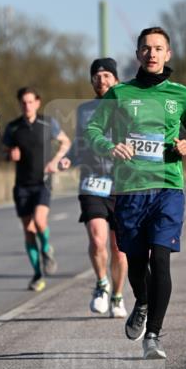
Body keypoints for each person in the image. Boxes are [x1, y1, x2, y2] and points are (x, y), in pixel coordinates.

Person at [85, 26, 186, 359]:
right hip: (130, 189)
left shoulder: (181, 94)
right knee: (137, 263)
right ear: (138, 54)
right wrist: (110, 147)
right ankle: (141, 300)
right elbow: (94, 128)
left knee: (162, 258)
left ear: (167, 54)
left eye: (158, 48)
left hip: (168, 186)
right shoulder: (120, 93)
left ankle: (153, 335)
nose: (152, 53)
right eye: (146, 48)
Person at [59, 58, 128, 317]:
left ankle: (118, 297)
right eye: (97, 76)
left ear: (116, 80)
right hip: (92, 182)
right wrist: (70, 158)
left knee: (119, 248)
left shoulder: (128, 107)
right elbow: (80, 143)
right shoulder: (85, 110)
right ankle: (101, 285)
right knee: (97, 239)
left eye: (107, 75)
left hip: (122, 184)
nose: (101, 80)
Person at [1, 87, 71, 291]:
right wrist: (9, 155)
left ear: (38, 103)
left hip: (43, 182)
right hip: (22, 185)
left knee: (40, 222)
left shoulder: (48, 123)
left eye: (31, 102)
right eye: (23, 102)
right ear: (20, 104)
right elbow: (4, 151)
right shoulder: (13, 128)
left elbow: (65, 142)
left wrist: (55, 161)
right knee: (28, 230)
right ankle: (38, 274)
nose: (27, 105)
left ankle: (47, 249)